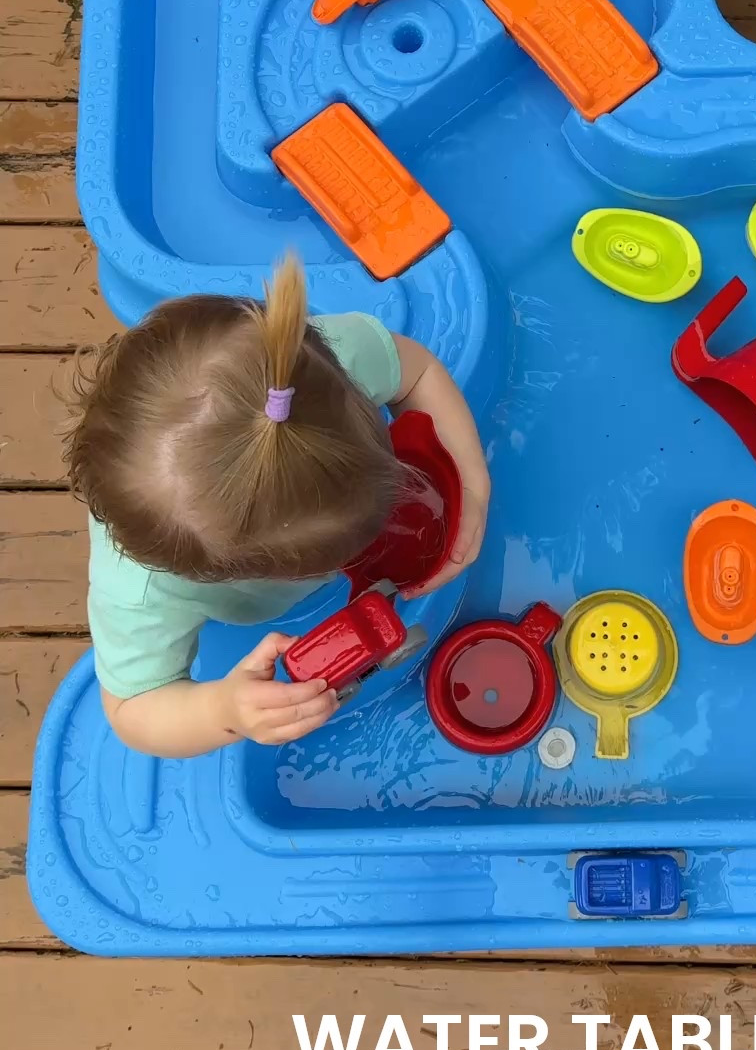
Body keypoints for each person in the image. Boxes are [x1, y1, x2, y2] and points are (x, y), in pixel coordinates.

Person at [65, 253, 489, 760]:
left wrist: (472, 480)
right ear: (219, 576)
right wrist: (222, 710)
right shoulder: (143, 588)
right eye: (327, 560)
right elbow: (132, 707)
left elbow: (416, 373)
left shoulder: (312, 371)